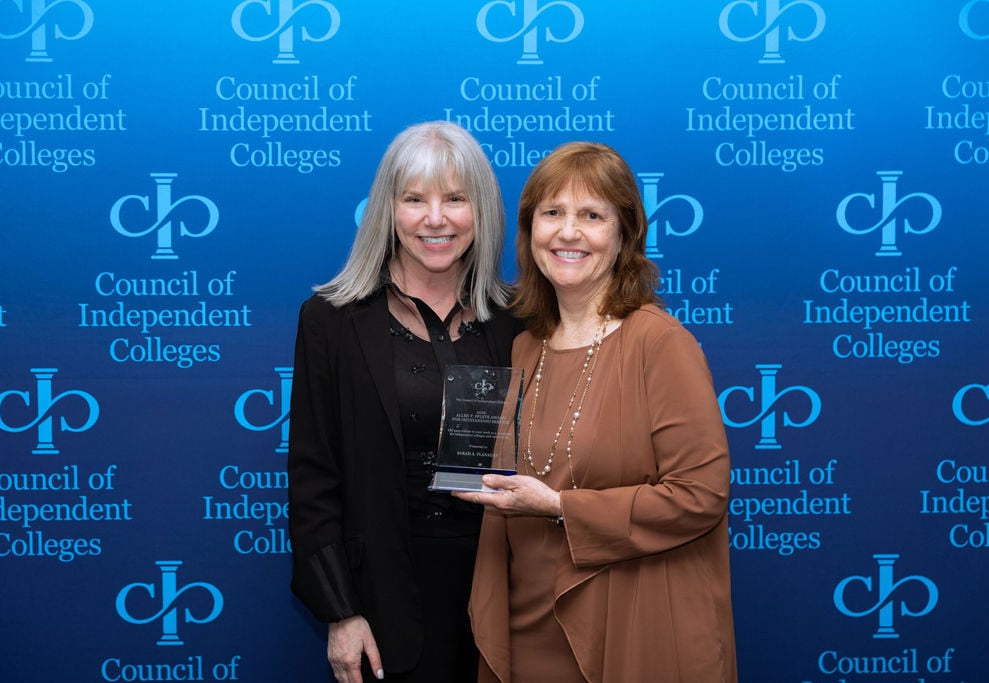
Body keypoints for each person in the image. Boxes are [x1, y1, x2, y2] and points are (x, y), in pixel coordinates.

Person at [455, 142, 737, 682]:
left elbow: (701, 495)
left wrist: (561, 505)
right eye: (552, 213)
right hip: (526, 631)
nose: (568, 232)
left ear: (625, 233)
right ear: (529, 229)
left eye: (591, 215)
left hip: (627, 627)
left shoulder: (659, 343)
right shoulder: (524, 346)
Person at [288, 121, 520, 683]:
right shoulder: (331, 321)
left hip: (506, 599)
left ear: (482, 210)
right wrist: (342, 613)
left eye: (455, 199)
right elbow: (313, 478)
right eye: (414, 199)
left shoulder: (521, 320)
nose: (435, 218)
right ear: (387, 210)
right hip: (382, 604)